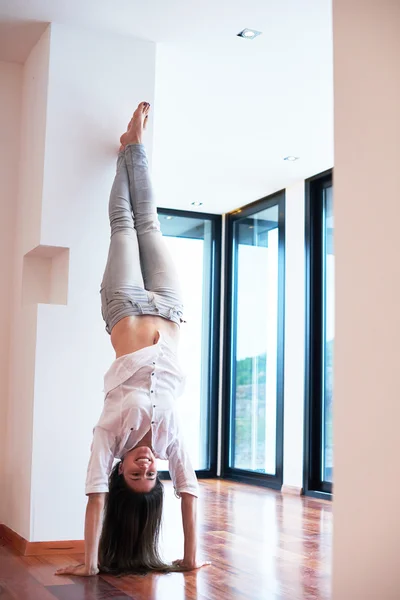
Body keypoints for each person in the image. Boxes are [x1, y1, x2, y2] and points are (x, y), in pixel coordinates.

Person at [56, 102, 209, 577]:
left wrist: (90, 564)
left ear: (121, 473)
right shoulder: (172, 442)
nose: (145, 466)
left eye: (135, 474)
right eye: (150, 475)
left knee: (124, 225)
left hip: (123, 306)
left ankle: (134, 146)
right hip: (170, 308)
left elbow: (94, 499)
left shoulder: (107, 437)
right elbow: (190, 493)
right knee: (152, 223)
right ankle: (131, 147)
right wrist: (189, 556)